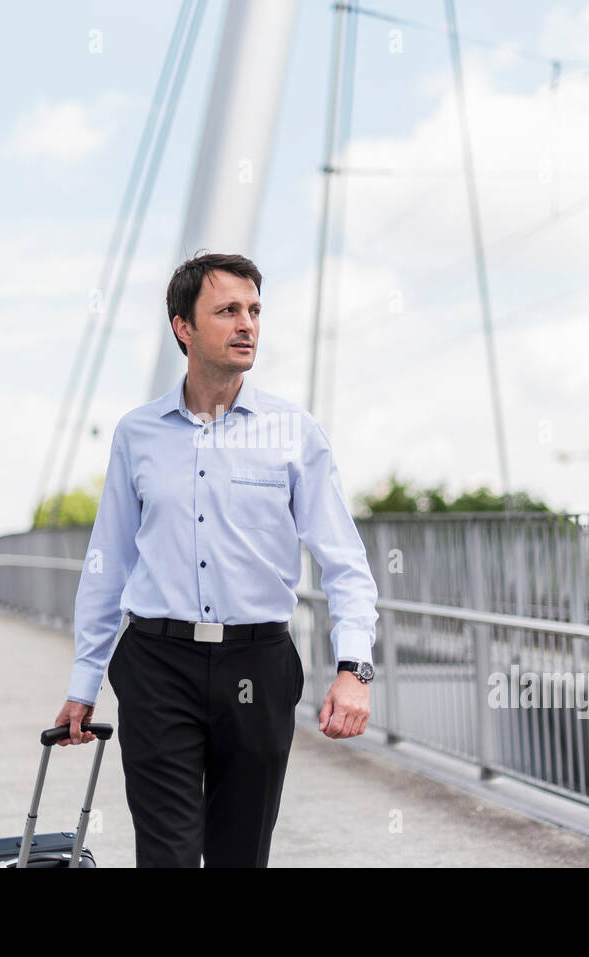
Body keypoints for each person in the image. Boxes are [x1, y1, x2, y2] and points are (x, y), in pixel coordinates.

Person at [52, 251, 379, 867]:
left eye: (254, 310)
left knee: (239, 856)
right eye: (227, 311)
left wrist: (353, 669)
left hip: (257, 662)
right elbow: (108, 562)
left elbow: (344, 562)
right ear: (183, 327)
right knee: (168, 856)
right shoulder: (137, 434)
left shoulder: (294, 432)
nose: (247, 324)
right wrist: (84, 682)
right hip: (157, 665)